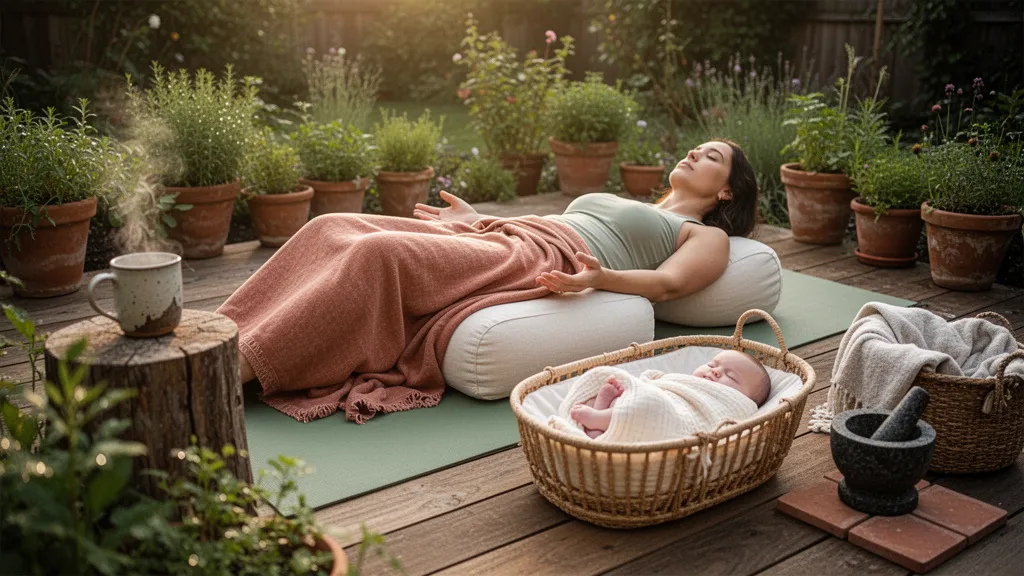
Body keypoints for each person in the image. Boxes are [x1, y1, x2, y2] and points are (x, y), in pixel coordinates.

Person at [219, 139, 759, 423]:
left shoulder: (701, 234)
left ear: (727, 192)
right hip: (516, 235)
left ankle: (232, 370)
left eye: (711, 156)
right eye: (698, 146)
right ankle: (222, 332)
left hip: (543, 256)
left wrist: (599, 276)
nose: (694, 152)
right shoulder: (637, 201)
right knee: (330, 225)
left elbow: (666, 287)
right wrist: (478, 220)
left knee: (376, 253)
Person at [568, 350, 773, 440]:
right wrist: (646, 384)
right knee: (642, 396)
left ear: (742, 401)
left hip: (664, 416)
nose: (715, 371)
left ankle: (599, 420)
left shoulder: (735, 407)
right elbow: (661, 386)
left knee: (651, 407)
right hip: (656, 400)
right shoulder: (682, 382)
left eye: (731, 376)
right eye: (712, 364)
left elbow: (682, 415)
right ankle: (603, 411)